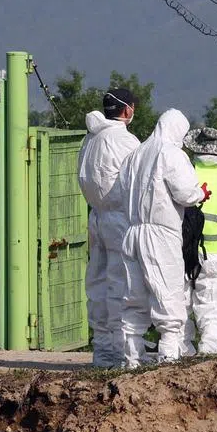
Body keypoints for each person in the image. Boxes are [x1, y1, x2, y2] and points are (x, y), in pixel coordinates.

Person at [119, 109, 211, 367]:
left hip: (132, 231)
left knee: (133, 297)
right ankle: (168, 357)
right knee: (168, 294)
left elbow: (120, 192)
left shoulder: (133, 155)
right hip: (161, 233)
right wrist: (200, 194)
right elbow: (184, 193)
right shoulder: (171, 153)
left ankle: (132, 358)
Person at [77, 88, 140, 368]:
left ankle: (103, 350)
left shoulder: (90, 139)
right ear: (127, 111)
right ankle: (122, 349)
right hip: (119, 217)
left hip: (97, 216)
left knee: (98, 282)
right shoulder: (125, 141)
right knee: (120, 282)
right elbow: (139, 178)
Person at [181, 126, 217, 355]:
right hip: (214, 247)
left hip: (183, 247)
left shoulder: (187, 172)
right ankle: (211, 346)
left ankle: (181, 346)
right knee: (213, 298)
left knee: (181, 298)